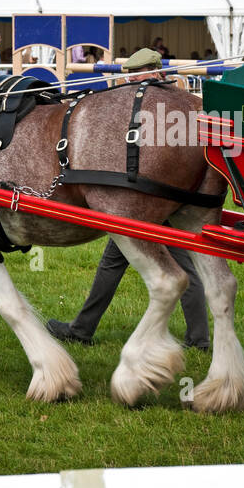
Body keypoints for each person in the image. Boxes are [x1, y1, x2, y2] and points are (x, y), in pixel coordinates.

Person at [46, 48, 209, 350]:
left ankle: (82, 329)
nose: (131, 82)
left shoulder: (149, 105)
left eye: (134, 76)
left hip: (147, 199)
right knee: (168, 261)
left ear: (149, 72)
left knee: (121, 260)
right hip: (171, 195)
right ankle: (198, 338)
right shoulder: (174, 102)